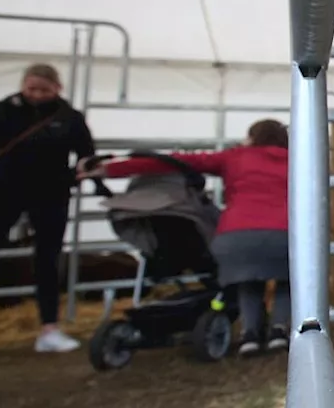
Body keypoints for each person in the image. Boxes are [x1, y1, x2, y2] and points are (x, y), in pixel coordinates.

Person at [78, 119, 290, 356]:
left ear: (252, 138)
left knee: (248, 283)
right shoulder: (295, 160)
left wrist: (110, 169)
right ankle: (278, 333)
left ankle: (249, 335)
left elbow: (176, 162)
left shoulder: (234, 156)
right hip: (282, 233)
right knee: (287, 281)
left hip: (235, 236)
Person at [0, 63, 96, 357]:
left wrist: (76, 175)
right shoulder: (1, 111)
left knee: (47, 260)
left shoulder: (69, 118)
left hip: (50, 194)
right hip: (1, 193)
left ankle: (49, 329)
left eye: (43, 90)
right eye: (31, 88)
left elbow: (86, 153)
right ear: (23, 85)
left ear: (58, 88)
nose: (36, 95)